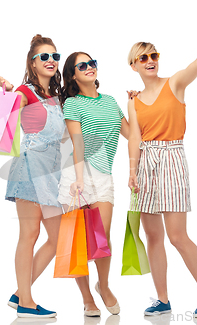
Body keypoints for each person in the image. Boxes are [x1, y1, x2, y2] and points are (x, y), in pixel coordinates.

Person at [127, 32, 197, 318]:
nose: (150, 61)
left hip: (172, 158)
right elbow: (135, 138)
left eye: (154, 55)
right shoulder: (134, 101)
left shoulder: (174, 83)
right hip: (146, 165)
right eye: (144, 57)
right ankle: (162, 299)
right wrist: (132, 172)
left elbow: (196, 65)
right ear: (133, 65)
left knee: (177, 236)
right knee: (153, 236)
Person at [0, 34, 67, 318]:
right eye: (44, 57)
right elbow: (8, 109)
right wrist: (8, 89)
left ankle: (19, 292)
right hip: (29, 167)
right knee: (30, 233)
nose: (51, 61)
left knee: (57, 237)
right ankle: (26, 302)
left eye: (54, 56)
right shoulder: (26, 91)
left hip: (51, 172)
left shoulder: (57, 96)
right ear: (33, 63)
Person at [57, 52, 129, 317]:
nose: (89, 68)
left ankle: (104, 285)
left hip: (102, 176)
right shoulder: (73, 104)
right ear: (73, 75)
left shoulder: (110, 101)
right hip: (76, 174)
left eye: (92, 63)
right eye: (82, 65)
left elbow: (131, 134)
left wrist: (133, 105)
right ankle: (87, 298)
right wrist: (77, 179)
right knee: (79, 241)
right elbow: (77, 143)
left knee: (103, 237)